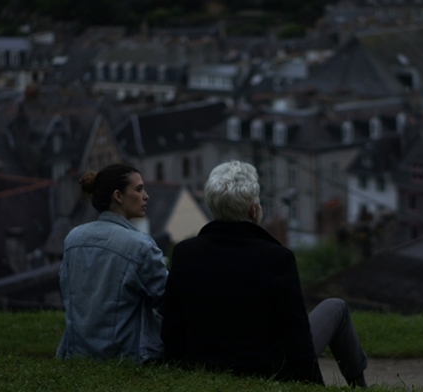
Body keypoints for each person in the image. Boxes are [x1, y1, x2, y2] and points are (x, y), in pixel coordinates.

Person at [161, 161, 368, 386]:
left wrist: (182, 373)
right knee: (336, 307)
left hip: (204, 365)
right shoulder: (277, 258)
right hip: (267, 369)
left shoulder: (185, 253)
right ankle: (360, 387)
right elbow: (296, 337)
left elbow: (173, 328)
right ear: (253, 208)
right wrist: (313, 385)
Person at [57, 164, 168, 364]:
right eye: (139, 189)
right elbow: (168, 299)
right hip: (126, 356)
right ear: (118, 196)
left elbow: (67, 291)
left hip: (76, 355)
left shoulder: (73, 238)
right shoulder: (140, 246)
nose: (146, 196)